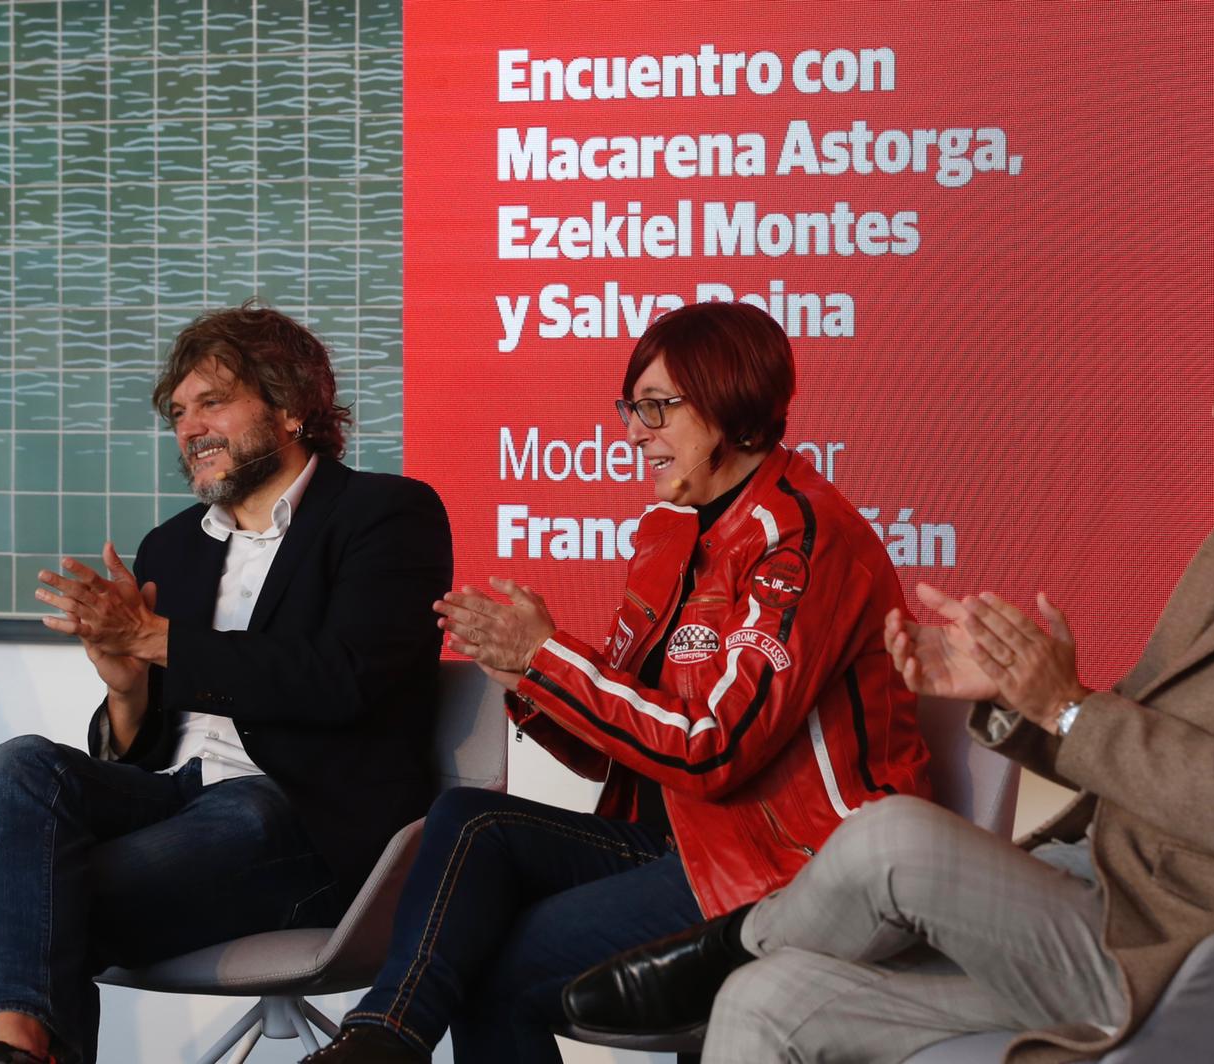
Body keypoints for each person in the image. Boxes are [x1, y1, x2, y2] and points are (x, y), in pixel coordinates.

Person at [563, 248, 1214, 1063]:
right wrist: (1021, 695)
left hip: (1195, 954)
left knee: (887, 837)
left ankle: (717, 952)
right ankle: (735, 964)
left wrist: (1067, 706)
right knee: (768, 1001)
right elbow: (1125, 750)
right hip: (1091, 894)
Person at [304, 300, 931, 1063]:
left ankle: (376, 1047)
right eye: (632, 408)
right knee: (471, 823)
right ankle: (382, 1039)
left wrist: (553, 660)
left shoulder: (803, 540)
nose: (636, 431)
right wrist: (530, 683)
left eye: (659, 407)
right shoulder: (668, 532)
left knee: (494, 966)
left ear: (733, 405)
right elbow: (622, 750)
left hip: (792, 868)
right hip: (680, 843)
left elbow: (710, 749)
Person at [0, 303, 453, 1064]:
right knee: (22, 763)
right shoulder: (171, 545)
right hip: (178, 798)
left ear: (292, 407)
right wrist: (129, 688)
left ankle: (21, 1050)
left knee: (35, 891)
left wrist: (160, 640)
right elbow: (142, 747)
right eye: (178, 411)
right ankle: (18, 1048)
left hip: (305, 823)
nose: (189, 426)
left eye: (213, 401)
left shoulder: (385, 514)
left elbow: (346, 680)